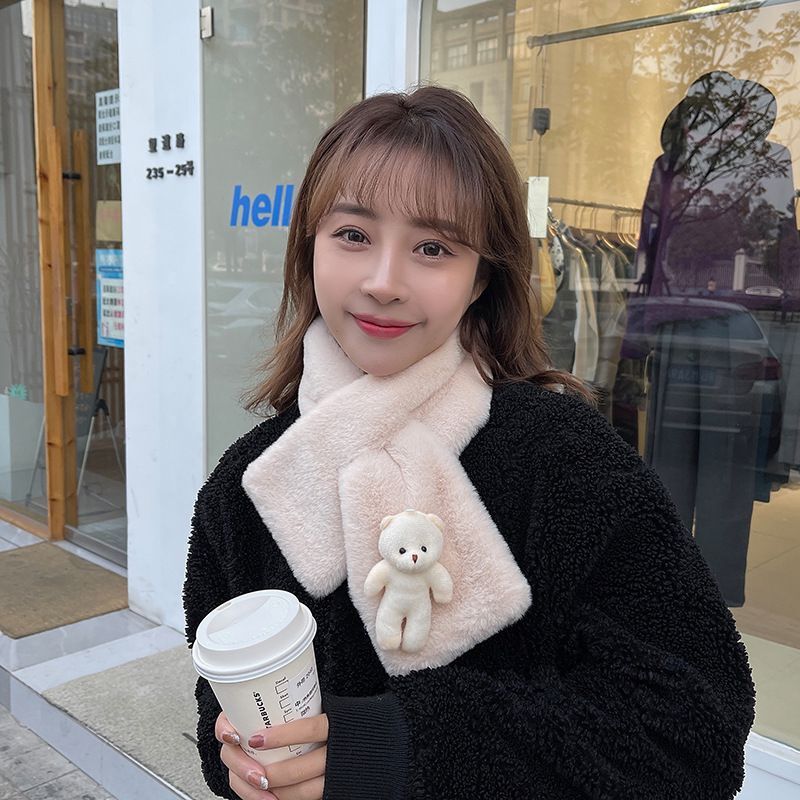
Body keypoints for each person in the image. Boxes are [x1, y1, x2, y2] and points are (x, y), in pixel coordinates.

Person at [184, 86, 755, 800]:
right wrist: (241, 764)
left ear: (482, 276)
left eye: (433, 248)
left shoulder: (565, 458)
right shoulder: (246, 488)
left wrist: (408, 751)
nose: (384, 283)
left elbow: (696, 729)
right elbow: (218, 713)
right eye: (353, 235)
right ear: (309, 246)